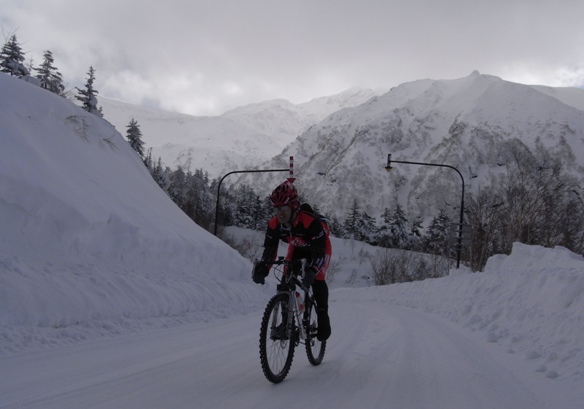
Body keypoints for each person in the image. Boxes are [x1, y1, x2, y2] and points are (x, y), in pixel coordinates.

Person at [252, 180, 332, 341]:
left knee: (317, 279)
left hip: (319, 247)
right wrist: (264, 267)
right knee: (284, 280)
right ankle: (286, 322)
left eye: (283, 208)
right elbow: (270, 249)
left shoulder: (309, 222)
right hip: (297, 247)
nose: (279, 213)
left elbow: (319, 251)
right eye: (276, 208)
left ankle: (323, 317)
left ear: (294, 206)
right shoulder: (274, 225)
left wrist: (313, 270)